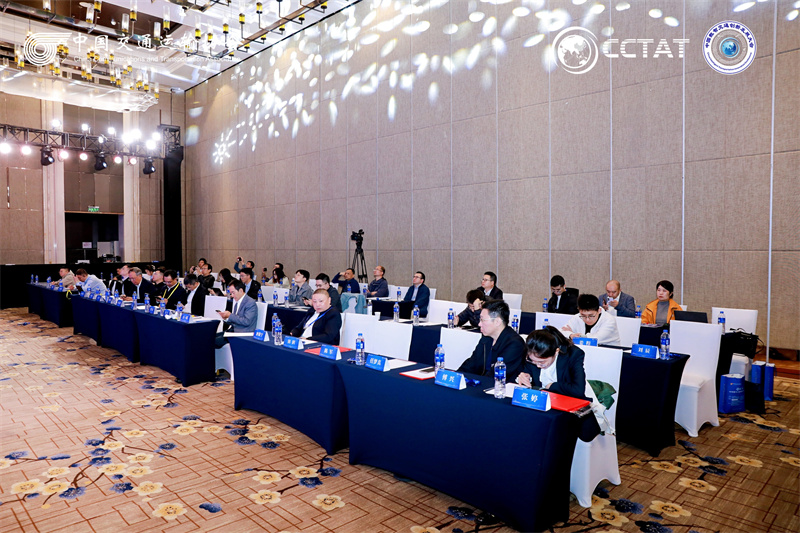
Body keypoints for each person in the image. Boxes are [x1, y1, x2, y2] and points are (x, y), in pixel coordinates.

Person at [516, 326, 600, 442]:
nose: (538, 366)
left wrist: (552, 386)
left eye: (542, 362)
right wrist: (525, 376)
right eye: (533, 361)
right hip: (542, 406)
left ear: (556, 351)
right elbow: (528, 373)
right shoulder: (532, 353)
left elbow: (578, 390)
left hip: (570, 408)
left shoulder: (574, 354)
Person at [458, 299, 525, 381]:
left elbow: (497, 375)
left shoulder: (515, 344)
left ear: (497, 322)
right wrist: (456, 376)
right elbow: (472, 363)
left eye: (482, 320)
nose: (479, 324)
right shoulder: (487, 337)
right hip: (484, 381)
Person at [214, 280, 259, 347]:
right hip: (233, 330)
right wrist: (226, 318)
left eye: (233, 293)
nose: (232, 295)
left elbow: (246, 321)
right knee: (210, 337)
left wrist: (230, 315)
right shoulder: (237, 302)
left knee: (213, 341)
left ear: (240, 290)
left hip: (243, 333)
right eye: (231, 293)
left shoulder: (250, 303)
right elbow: (236, 320)